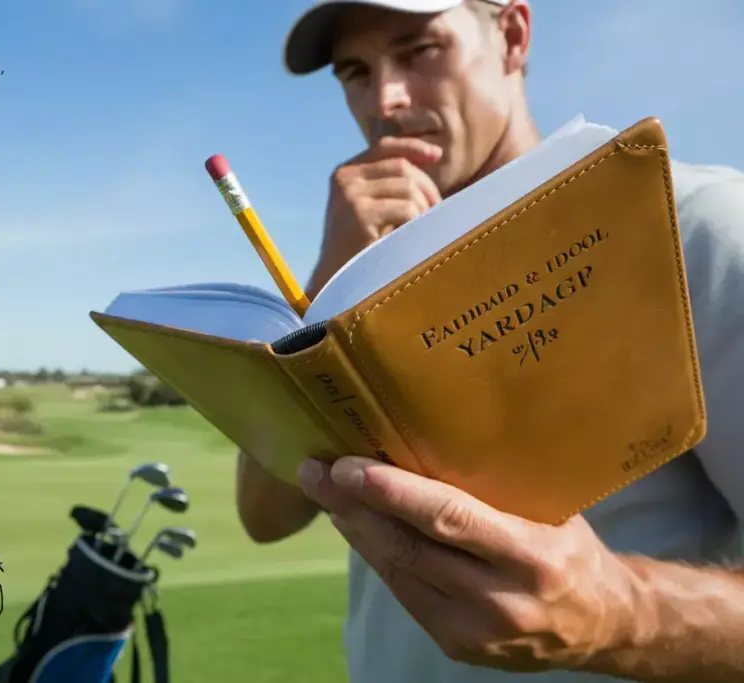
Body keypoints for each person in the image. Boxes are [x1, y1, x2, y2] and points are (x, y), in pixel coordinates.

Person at [234, 0, 744, 681]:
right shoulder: (366, 280)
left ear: (511, 35)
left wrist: (625, 615)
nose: (384, 100)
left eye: (418, 50)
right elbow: (263, 515)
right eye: (355, 70)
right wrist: (332, 283)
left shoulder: (696, 227)